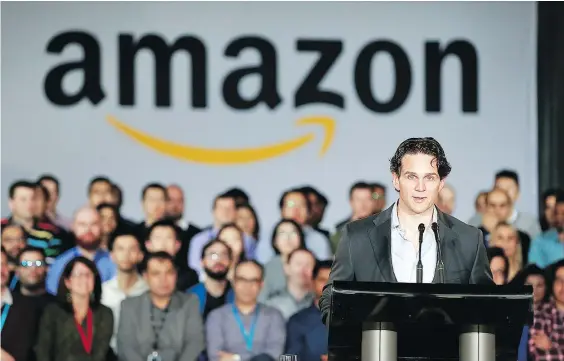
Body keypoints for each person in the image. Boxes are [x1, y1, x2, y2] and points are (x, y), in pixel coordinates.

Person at [320, 137, 493, 323]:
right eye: (412, 177)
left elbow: (486, 306)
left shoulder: (469, 239)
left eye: (430, 178)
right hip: (375, 349)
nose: (420, 187)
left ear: (441, 183)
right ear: (396, 179)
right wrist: (354, 337)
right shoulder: (357, 236)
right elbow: (331, 299)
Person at [117, 252, 205, 361]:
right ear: (145, 276)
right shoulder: (129, 305)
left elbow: (195, 343)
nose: (163, 280)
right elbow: (126, 347)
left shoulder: (190, 302)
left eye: (169, 273)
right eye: (156, 273)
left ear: (176, 275)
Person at [36, 257, 114, 361]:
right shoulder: (53, 312)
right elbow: (43, 351)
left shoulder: (105, 313)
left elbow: (101, 352)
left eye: (88, 275)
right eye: (78, 275)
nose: (84, 279)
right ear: (68, 282)